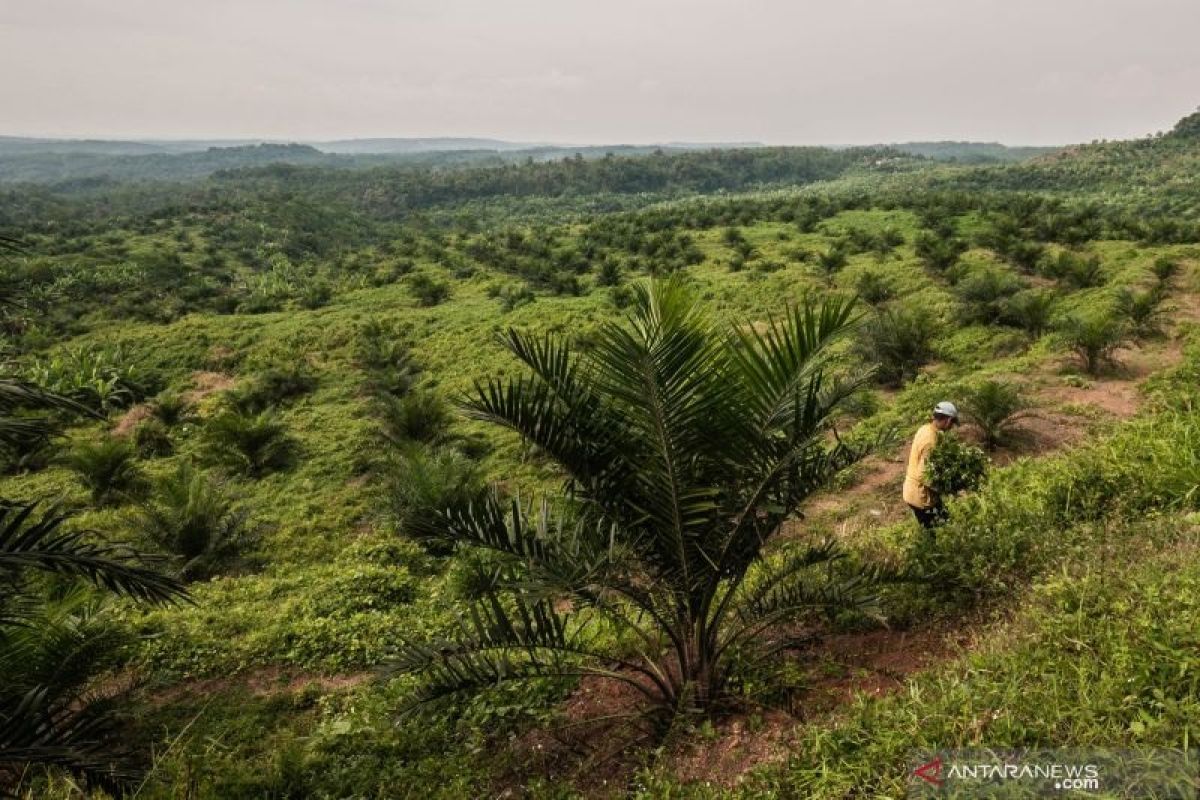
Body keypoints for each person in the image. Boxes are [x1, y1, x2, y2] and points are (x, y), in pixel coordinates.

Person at [903, 401, 958, 530]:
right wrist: (945, 489)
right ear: (949, 420)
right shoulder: (930, 441)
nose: (952, 427)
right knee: (940, 531)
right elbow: (924, 475)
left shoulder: (925, 429)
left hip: (912, 491)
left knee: (943, 524)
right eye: (953, 423)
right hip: (921, 497)